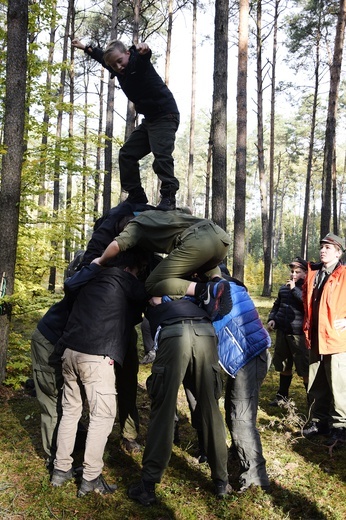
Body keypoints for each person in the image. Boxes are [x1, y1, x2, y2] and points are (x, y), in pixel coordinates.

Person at [51, 249, 149, 496]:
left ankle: (60, 471)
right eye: (136, 272)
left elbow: (69, 286)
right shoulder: (124, 278)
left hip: (70, 352)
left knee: (71, 412)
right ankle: (91, 477)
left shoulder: (89, 277)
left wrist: (95, 264)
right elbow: (147, 297)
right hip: (97, 357)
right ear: (129, 269)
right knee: (102, 416)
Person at [127, 296, 231, 506]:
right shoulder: (198, 276)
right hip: (205, 331)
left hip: (173, 331)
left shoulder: (157, 278)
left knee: (163, 409)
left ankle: (147, 486)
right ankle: (222, 482)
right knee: (211, 409)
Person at [72, 38, 180, 211]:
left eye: (120, 61)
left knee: (161, 155)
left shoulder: (137, 61)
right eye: (114, 65)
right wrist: (84, 47)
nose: (119, 67)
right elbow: (102, 57)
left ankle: (168, 197)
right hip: (151, 119)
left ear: (128, 54)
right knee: (127, 154)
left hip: (165, 115)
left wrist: (144, 50)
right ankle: (136, 195)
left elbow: (144, 54)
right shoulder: (117, 69)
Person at [91, 208, 232, 316]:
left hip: (197, 242)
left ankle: (204, 291)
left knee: (152, 284)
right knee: (201, 267)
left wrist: (100, 260)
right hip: (220, 238)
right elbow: (186, 210)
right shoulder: (155, 215)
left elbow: (117, 245)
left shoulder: (135, 225)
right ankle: (218, 282)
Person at [30, 263, 104, 468]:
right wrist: (99, 263)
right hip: (48, 341)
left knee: (68, 396)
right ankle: (53, 457)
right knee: (51, 397)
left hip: (64, 345)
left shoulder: (101, 291)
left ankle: (69, 442)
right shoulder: (80, 285)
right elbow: (70, 285)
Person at [211, 277, 271, 492]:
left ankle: (256, 478)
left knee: (241, 419)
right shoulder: (229, 288)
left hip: (249, 358)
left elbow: (210, 319)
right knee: (233, 410)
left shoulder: (221, 292)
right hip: (248, 357)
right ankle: (239, 455)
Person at [302, 232, 346, 446]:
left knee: (339, 384)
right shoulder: (314, 273)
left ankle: (341, 426)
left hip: (337, 339)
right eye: (321, 246)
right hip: (315, 338)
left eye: (328, 247)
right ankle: (319, 421)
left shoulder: (344, 274)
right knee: (316, 381)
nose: (322, 250)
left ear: (338, 252)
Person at [267, 257, 309, 406]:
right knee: (284, 366)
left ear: (305, 273)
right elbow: (277, 305)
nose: (293, 275)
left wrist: (294, 289)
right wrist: (273, 319)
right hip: (283, 332)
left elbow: (307, 304)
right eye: (292, 271)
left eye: (297, 272)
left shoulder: (308, 288)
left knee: (305, 369)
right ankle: (282, 397)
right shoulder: (284, 288)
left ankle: (312, 403)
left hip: (299, 335)